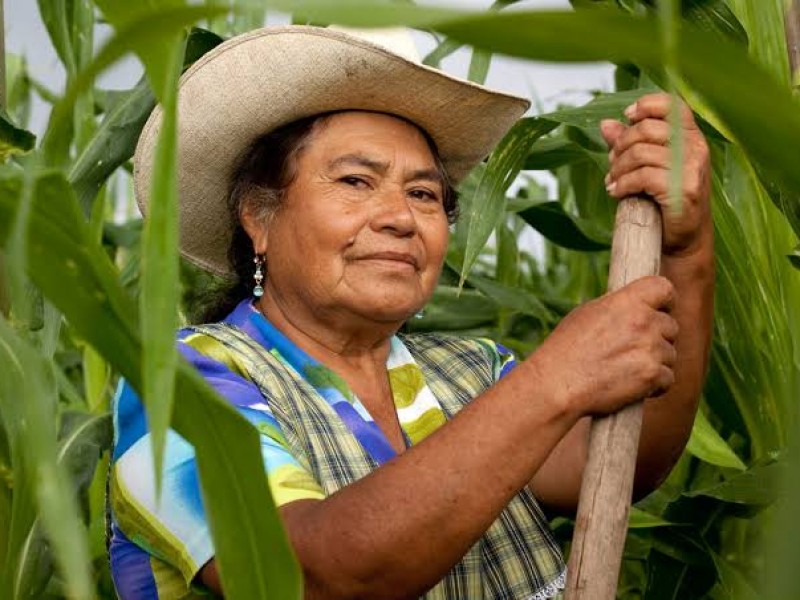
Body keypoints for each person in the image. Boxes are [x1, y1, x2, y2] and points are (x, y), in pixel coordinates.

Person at [108, 25, 714, 600]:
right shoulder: (175, 388)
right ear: (258, 218)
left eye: (423, 194)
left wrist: (685, 252)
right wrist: (556, 379)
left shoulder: (471, 372)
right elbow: (315, 575)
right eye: (354, 181)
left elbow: (617, 464)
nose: (400, 216)